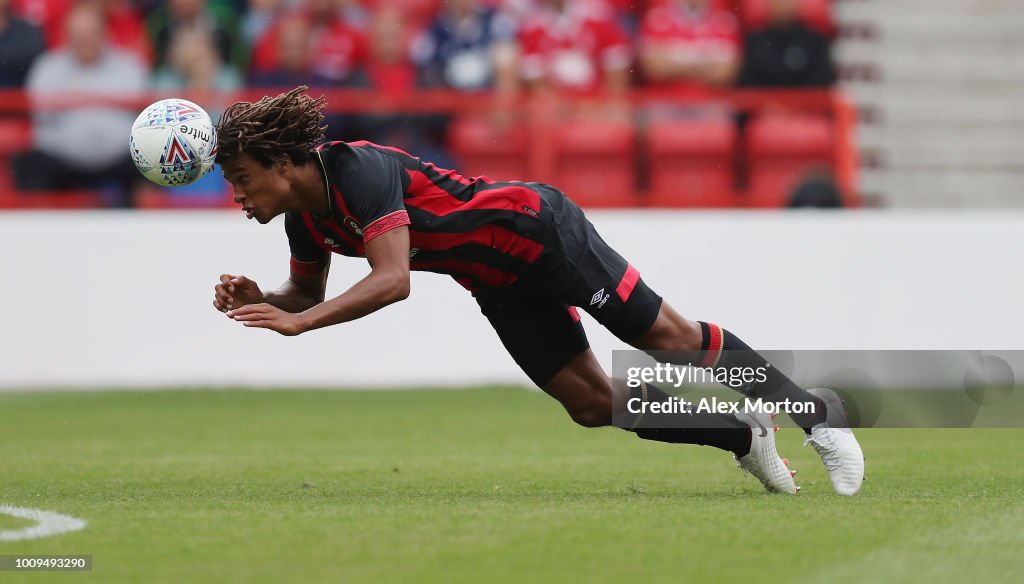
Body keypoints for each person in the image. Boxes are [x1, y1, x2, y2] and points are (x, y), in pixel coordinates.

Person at [211, 86, 865, 495]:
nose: (237, 197)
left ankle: (813, 415)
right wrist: (260, 298)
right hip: (496, 279)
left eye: (242, 179)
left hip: (542, 232)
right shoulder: (304, 219)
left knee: (672, 340)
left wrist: (306, 323)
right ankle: (742, 436)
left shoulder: (359, 170)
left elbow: (393, 279)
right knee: (590, 402)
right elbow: (301, 293)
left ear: (284, 163)